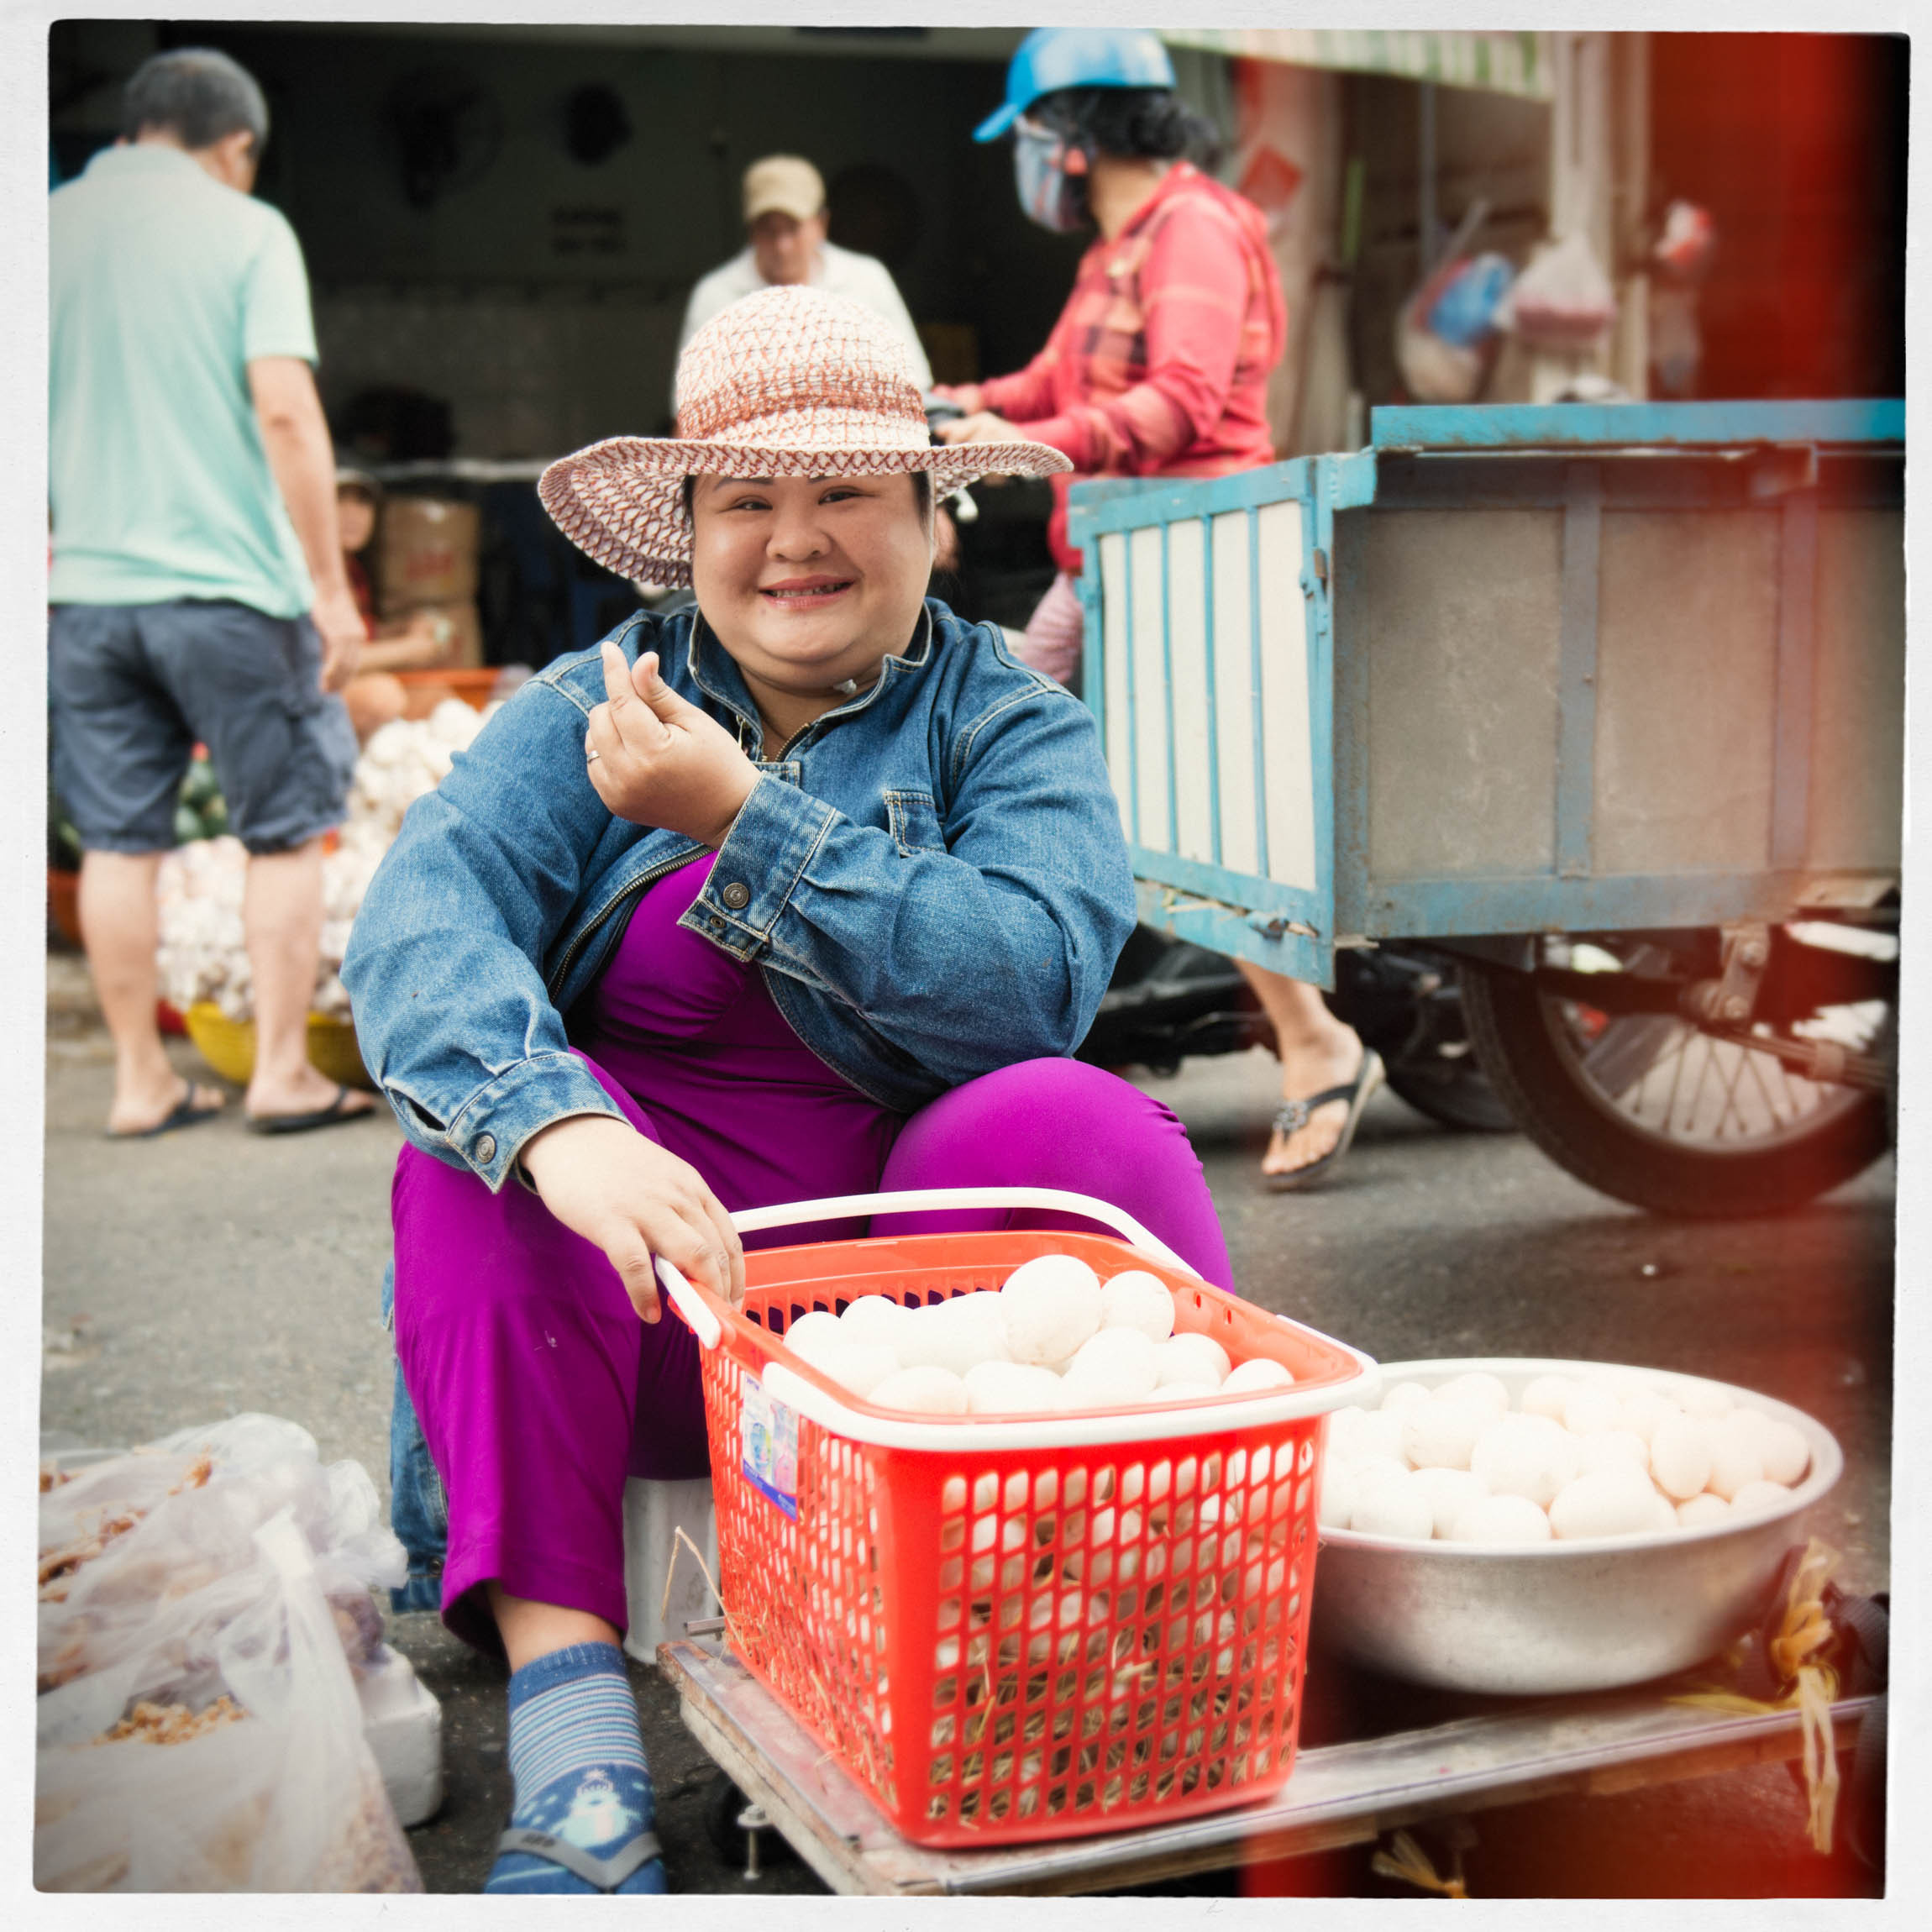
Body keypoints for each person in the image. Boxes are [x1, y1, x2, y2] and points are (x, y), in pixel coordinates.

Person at [341, 285, 1235, 1893]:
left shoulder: (1008, 726)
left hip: (909, 1348)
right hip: (643, 1315)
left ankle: (1169, 1603)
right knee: (466, 1163)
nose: (794, 541)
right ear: (688, 534)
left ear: (931, 519)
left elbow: (1032, 977)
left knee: (1085, 1123)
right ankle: (577, 1752)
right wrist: (560, 1125)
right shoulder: (596, 706)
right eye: (746, 500)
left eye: (844, 494)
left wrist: (744, 816)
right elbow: (425, 913)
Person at [934, 27, 1382, 1189]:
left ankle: (1318, 1038)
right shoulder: (1121, 246)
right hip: (1113, 563)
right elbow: (1056, 383)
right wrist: (949, 405)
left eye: (1034, 137)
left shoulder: (1189, 227)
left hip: (1193, 560)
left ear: (1074, 140)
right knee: (1011, 746)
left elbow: (1178, 402)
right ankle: (989, 1021)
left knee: (1178, 812)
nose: (1029, 163)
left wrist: (1025, 441)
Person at [48, 47, 376, 1137]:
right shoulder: (247, 230)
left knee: (117, 839)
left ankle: (141, 1081)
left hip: (86, 592)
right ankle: (280, 1072)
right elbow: (284, 408)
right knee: (285, 831)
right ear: (236, 146)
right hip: (230, 591)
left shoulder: (46, 225)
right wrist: (330, 588)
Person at [675, 154, 932, 386]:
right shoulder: (715, 294)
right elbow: (688, 408)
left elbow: (914, 381)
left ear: (821, 224)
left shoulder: (867, 279)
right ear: (751, 231)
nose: (782, 245)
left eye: (793, 227)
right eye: (769, 229)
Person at [333, 461, 460, 741]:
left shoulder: (353, 570)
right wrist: (408, 649)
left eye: (362, 504)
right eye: (339, 501)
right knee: (381, 696)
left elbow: (359, 638)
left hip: (351, 687)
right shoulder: (309, 570)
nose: (352, 515)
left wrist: (404, 629)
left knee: (439, 696)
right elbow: (326, 659)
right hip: (309, 702)